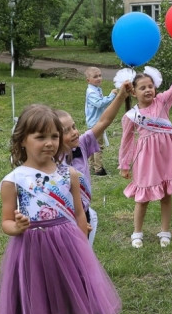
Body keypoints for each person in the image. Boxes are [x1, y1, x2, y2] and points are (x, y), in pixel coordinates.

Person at [0, 104, 121, 314]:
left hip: (66, 248)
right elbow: (5, 222)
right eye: (39, 136)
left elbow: (79, 213)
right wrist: (18, 226)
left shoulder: (70, 175)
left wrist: (82, 242)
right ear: (22, 139)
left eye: (53, 135)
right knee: (37, 302)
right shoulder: (13, 181)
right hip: (32, 250)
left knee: (63, 301)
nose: (49, 142)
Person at [119, 57, 172, 249]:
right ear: (134, 92)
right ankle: (137, 232)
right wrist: (125, 164)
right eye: (142, 88)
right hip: (146, 158)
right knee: (142, 197)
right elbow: (126, 141)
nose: (148, 90)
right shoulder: (131, 116)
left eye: (150, 86)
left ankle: (165, 231)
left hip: (166, 156)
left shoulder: (162, 102)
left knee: (166, 194)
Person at [56, 81, 132, 246]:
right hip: (61, 221)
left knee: (83, 259)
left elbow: (103, 122)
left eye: (74, 127)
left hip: (84, 215)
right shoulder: (49, 161)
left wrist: (120, 96)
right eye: (66, 131)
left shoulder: (82, 144)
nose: (74, 132)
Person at [84, 67, 118, 175]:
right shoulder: (91, 92)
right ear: (88, 80)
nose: (99, 78)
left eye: (100, 75)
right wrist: (112, 95)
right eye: (95, 77)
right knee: (98, 146)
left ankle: (90, 166)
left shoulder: (97, 89)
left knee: (93, 144)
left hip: (97, 121)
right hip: (95, 123)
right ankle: (99, 169)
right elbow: (99, 103)